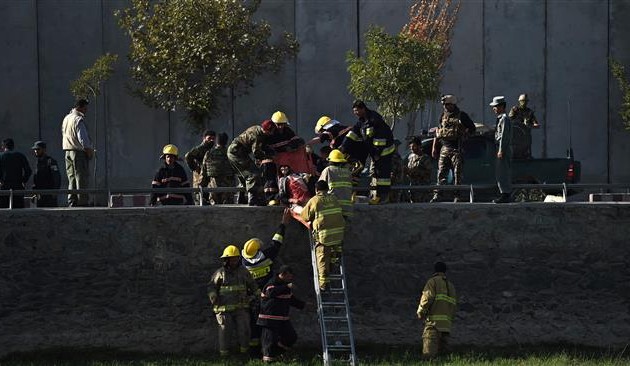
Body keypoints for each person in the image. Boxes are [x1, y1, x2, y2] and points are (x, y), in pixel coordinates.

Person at [242, 209, 291, 354]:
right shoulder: (265, 256)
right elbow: (276, 242)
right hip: (268, 295)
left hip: (253, 298)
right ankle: (271, 349)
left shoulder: (244, 261)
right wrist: (283, 223)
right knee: (269, 324)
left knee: (254, 323)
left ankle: (254, 350)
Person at [208, 245, 259, 357]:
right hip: (224, 309)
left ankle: (244, 354)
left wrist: (256, 297)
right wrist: (213, 296)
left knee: (244, 331)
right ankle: (224, 356)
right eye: (231, 258)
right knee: (225, 332)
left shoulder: (244, 272)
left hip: (241, 308)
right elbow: (211, 286)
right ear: (226, 260)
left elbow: (253, 286)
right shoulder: (220, 273)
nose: (234, 261)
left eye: (236, 258)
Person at [300, 180, 345, 291]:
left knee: (322, 258)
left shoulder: (315, 200)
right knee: (334, 252)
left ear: (316, 190)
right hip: (338, 235)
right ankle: (334, 261)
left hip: (324, 237)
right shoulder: (334, 198)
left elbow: (305, 216)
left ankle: (324, 284)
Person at [430, 95, 476, 203]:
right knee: (441, 173)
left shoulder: (461, 115)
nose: (445, 107)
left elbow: (472, 129)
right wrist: (434, 147)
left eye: (447, 104)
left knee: (457, 174)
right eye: (444, 105)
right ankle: (438, 195)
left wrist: (465, 135)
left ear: (453, 104)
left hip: (456, 149)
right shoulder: (442, 116)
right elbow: (438, 132)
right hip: (444, 148)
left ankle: (457, 196)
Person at [257, 265, 305, 363]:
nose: (291, 278)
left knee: (291, 337)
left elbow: (291, 299)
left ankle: (278, 353)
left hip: (282, 319)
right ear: (283, 274)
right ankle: (268, 360)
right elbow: (270, 292)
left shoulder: (285, 285)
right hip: (269, 319)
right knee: (269, 341)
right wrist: (286, 286)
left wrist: (304, 305)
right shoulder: (272, 283)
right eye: (289, 276)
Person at [352, 100, 395, 205]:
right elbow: (354, 132)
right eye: (354, 111)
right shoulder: (362, 121)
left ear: (363, 109)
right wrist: (344, 146)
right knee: (376, 174)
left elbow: (380, 139)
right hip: (377, 153)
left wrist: (376, 154)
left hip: (384, 151)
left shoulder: (374, 119)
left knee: (383, 176)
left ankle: (383, 197)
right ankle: (377, 196)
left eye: (357, 110)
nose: (355, 113)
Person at [227, 120, 276, 206]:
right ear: (267, 130)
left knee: (243, 175)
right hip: (237, 153)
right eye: (271, 131)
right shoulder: (258, 136)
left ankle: (241, 198)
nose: (272, 133)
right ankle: (253, 199)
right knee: (253, 173)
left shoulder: (256, 128)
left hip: (235, 152)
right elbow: (256, 152)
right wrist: (266, 157)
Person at [310, 115, 369, 187]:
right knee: (355, 173)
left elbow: (321, 138)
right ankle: (354, 188)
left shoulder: (330, 130)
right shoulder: (341, 129)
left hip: (352, 153)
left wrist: (306, 145)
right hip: (361, 151)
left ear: (323, 128)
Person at [416, 262, 457, 359]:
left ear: (434, 270)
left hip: (433, 325)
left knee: (429, 357)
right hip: (446, 327)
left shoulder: (432, 282)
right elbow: (453, 306)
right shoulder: (451, 286)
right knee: (444, 358)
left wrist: (420, 311)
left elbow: (427, 298)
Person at [61, 99, 93, 207]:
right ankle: (82, 202)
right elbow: (83, 138)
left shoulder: (66, 118)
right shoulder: (78, 119)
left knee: (71, 177)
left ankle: (72, 200)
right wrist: (89, 151)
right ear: (80, 107)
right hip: (78, 152)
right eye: (85, 108)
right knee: (81, 177)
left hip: (67, 151)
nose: (86, 110)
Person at [318, 149, 353, 220]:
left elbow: (320, 187)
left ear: (330, 161)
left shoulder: (328, 170)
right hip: (346, 208)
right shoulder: (348, 172)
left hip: (332, 206)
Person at [490, 96, 512, 203]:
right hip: (500, 147)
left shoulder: (504, 119)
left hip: (503, 148)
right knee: (500, 172)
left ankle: (505, 194)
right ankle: (504, 193)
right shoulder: (501, 118)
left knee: (503, 172)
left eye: (495, 106)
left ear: (502, 107)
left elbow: (504, 136)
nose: (493, 108)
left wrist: (501, 150)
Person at [201, 132, 234, 204]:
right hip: (228, 188)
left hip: (213, 186)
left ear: (216, 141)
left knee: (214, 211)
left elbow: (203, 172)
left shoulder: (209, 153)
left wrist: (202, 187)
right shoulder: (230, 154)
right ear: (226, 141)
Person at [0, 138, 32, 208]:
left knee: (4, 211)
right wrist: (23, 180)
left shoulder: (1, 156)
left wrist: (1, 180)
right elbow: (28, 171)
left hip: (4, 188)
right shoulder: (20, 156)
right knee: (18, 211)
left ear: (4, 146)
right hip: (18, 187)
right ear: (13, 146)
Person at [185, 130, 216, 203]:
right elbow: (188, 156)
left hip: (208, 180)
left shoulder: (212, 149)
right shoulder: (200, 148)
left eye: (213, 139)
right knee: (199, 200)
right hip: (199, 178)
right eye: (209, 138)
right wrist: (194, 168)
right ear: (204, 138)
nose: (211, 140)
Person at [508, 94, 540, 159]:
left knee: (527, 146)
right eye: (522, 101)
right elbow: (509, 120)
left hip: (526, 134)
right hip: (516, 134)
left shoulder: (529, 112)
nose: (524, 103)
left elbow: (535, 123)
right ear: (519, 101)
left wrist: (533, 125)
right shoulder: (515, 110)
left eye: (525, 101)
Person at [31, 141, 61, 207]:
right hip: (40, 195)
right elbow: (36, 178)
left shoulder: (50, 161)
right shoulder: (37, 163)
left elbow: (57, 177)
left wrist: (55, 191)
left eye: (38, 149)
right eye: (35, 150)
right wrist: (34, 192)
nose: (36, 151)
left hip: (49, 194)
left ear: (44, 150)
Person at [405, 136, 433, 203]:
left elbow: (428, 173)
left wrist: (415, 172)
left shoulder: (425, 158)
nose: (411, 148)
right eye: (410, 146)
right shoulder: (410, 157)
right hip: (412, 186)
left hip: (422, 188)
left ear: (419, 146)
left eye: (414, 146)